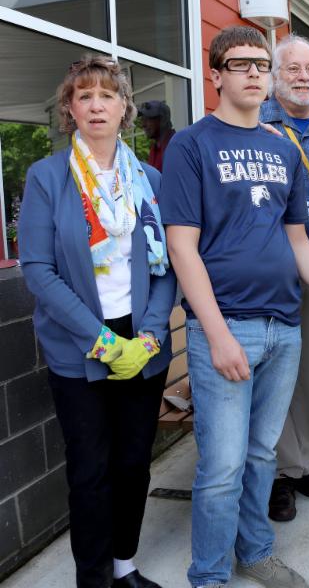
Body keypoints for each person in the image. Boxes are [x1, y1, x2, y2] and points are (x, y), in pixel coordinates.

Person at [160, 25, 309, 588]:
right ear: (216, 74)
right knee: (222, 466)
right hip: (227, 324)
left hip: (285, 326)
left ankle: (254, 552)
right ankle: (208, 574)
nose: (255, 73)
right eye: (242, 64)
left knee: (260, 457)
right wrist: (217, 334)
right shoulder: (192, 144)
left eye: (261, 64)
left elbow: (299, 243)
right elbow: (182, 245)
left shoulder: (283, 148)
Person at [18, 55, 175, 588]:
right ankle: (93, 578)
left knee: (134, 463)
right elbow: (37, 269)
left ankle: (124, 564)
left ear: (125, 107)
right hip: (79, 343)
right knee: (91, 471)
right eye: (84, 96)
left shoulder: (149, 178)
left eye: (107, 95)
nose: (96, 104)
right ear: (69, 110)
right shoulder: (47, 176)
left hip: (142, 337)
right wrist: (100, 339)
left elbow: (165, 264)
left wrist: (151, 333)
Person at [258, 34, 309, 523]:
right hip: (269, 269)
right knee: (273, 376)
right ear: (274, 75)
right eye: (292, 69)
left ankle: (299, 463)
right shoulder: (258, 127)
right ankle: (270, 472)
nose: (304, 77)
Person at [138, 100, 175, 172]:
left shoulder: (175, 146)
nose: (143, 125)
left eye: (148, 119)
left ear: (163, 120)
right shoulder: (154, 148)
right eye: (142, 120)